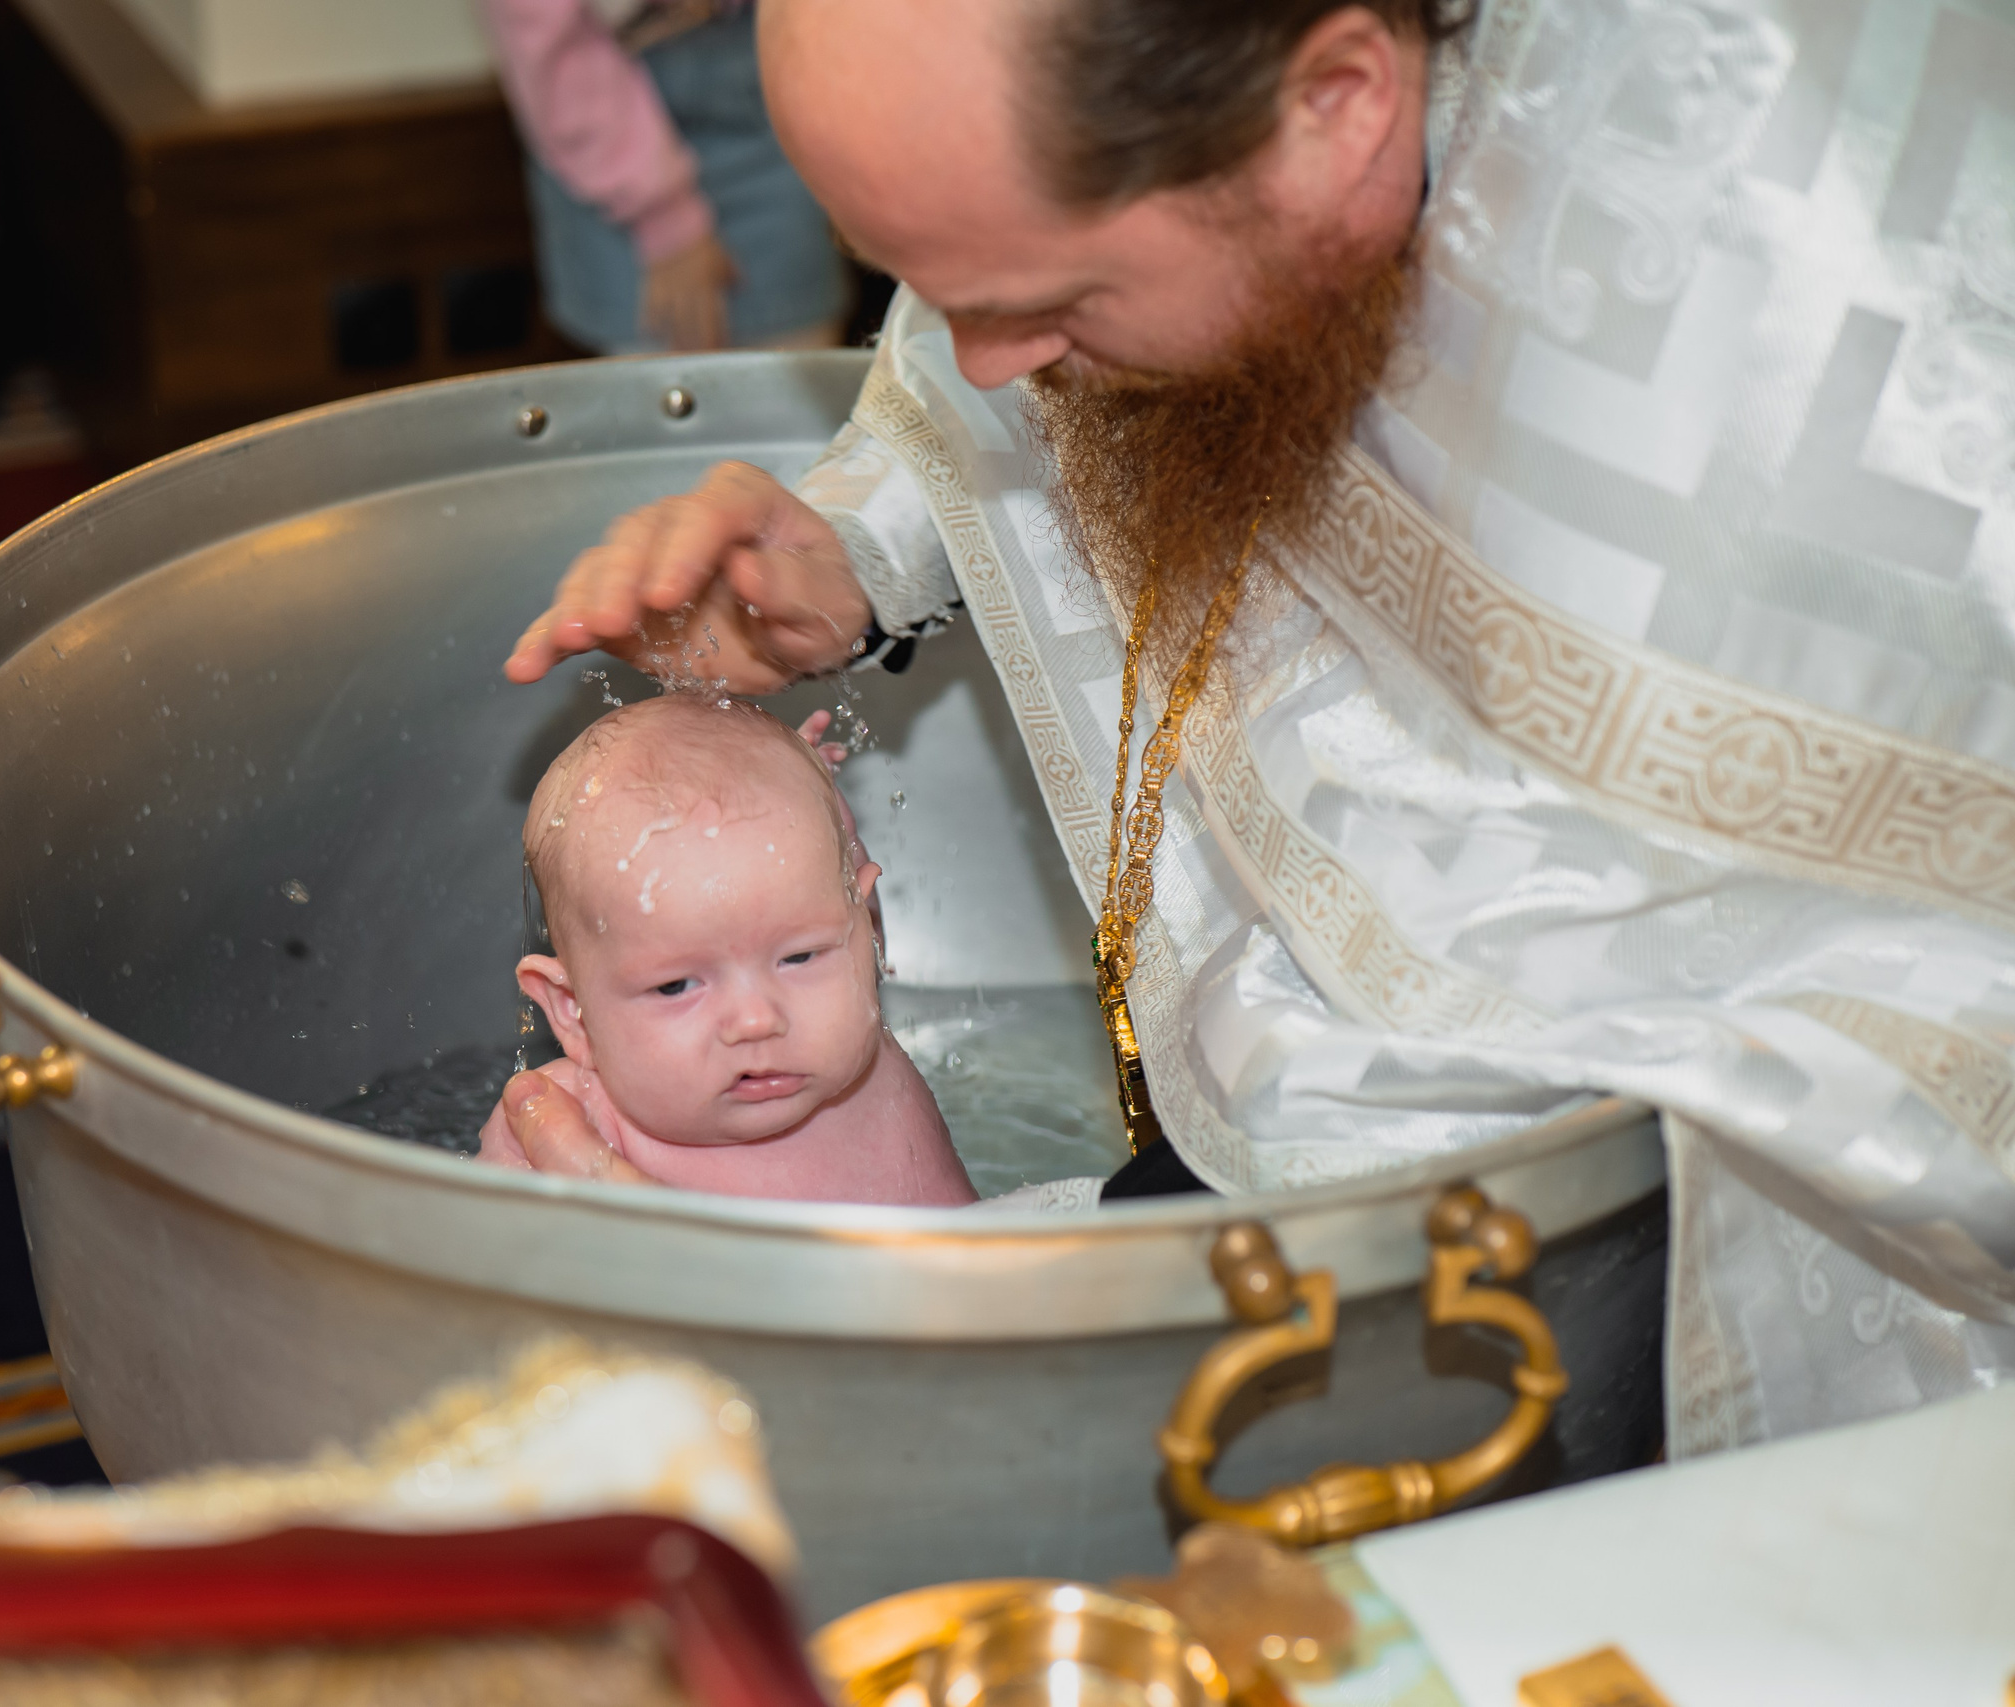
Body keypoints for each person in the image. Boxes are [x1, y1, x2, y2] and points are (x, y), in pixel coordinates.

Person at [496, 0, 2015, 1460]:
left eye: (1048, 304)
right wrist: (856, 552)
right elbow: (992, 341)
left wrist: (796, 1293)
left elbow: (1616, 980)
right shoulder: (1178, 111)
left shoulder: (1813, 322)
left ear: (1337, 109)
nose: (982, 362)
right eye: (928, 284)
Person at [481, 694, 977, 1204]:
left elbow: (848, 900)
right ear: (573, 1014)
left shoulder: (859, 1050)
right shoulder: (567, 1124)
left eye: (799, 957)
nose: (756, 1020)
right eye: (676, 985)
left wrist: (811, 804)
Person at [478, 0, 848, 352]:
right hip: (602, 117)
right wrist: (663, 216)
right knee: (656, 380)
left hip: (768, 64)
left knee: (794, 374)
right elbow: (551, 48)